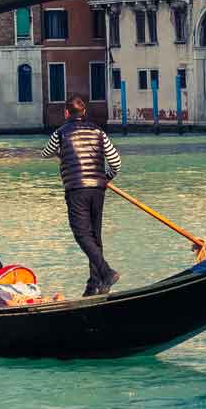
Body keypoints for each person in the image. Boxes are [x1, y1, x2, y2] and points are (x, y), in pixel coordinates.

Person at [40, 93, 122, 295]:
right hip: (98, 189)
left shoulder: (60, 133)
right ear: (84, 112)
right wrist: (106, 178)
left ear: (66, 112)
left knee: (81, 234)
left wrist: (61, 152)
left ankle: (106, 272)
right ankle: (95, 284)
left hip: (76, 189)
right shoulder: (98, 131)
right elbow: (116, 162)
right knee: (94, 235)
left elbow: (45, 153)